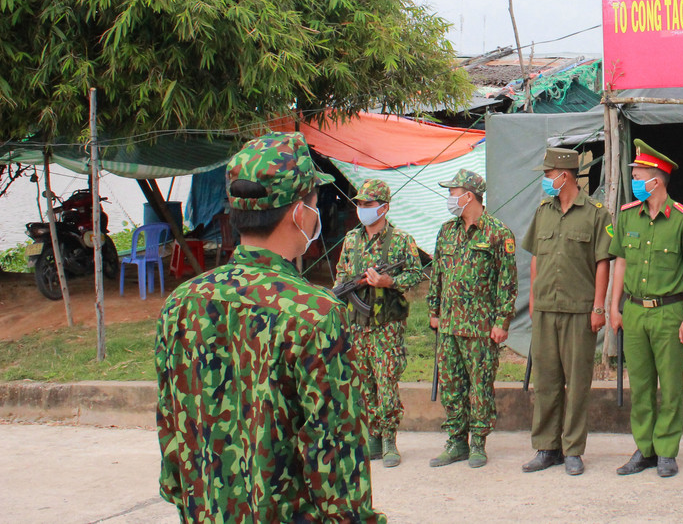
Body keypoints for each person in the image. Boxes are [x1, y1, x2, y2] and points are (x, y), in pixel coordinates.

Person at [155, 131, 384, 523]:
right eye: (314, 200)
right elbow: (337, 465)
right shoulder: (314, 314)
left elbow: (172, 432)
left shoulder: (181, 304)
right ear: (299, 212)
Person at [609, 139, 683, 478]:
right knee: (641, 384)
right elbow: (619, 261)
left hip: (669, 311)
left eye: (639, 174)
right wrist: (614, 306)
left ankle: (666, 450)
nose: (634, 179)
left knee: (670, 384)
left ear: (657, 179)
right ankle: (644, 448)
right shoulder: (627, 216)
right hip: (634, 309)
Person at [520, 147, 612, 476]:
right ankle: (547, 448)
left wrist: (598, 306)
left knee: (577, 382)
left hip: (579, 308)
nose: (545, 181)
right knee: (546, 381)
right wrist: (532, 297)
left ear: (565, 175)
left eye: (548, 175)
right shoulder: (543, 210)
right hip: (545, 307)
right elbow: (535, 258)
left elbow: (603, 262)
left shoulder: (596, 213)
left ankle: (573, 449)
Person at [427, 169, 518, 469]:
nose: (450, 198)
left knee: (480, 386)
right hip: (450, 324)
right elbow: (438, 274)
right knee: (451, 384)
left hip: (480, 327)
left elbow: (507, 282)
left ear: (470, 195)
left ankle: (478, 442)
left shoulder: (498, 233)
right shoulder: (446, 231)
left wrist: (502, 322)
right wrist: (433, 311)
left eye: (453, 193)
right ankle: (456, 441)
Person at [335, 178, 425, 468]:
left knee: (386, 381)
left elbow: (415, 275)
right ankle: (372, 435)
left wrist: (389, 281)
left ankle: (389, 439)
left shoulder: (401, 240)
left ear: (384, 208)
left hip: (386, 324)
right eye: (360, 204)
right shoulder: (351, 239)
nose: (362, 208)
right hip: (358, 323)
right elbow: (340, 275)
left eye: (368, 204)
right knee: (364, 383)